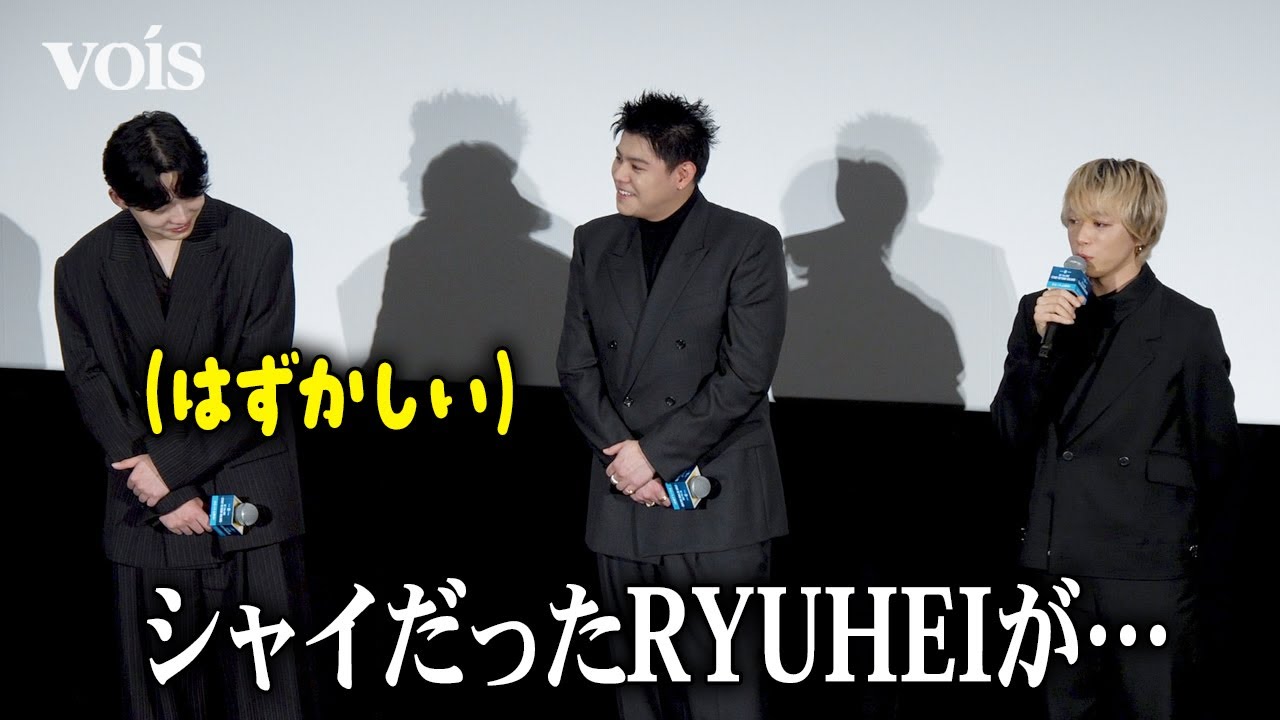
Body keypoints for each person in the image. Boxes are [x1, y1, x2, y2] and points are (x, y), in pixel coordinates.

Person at [54, 111, 314, 719]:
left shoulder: (260, 246)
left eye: (189, 193)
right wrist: (163, 492)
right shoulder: (83, 265)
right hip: (145, 509)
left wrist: (167, 469)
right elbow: (91, 384)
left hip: (249, 496)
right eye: (157, 205)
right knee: (161, 699)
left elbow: (261, 380)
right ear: (119, 198)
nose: (179, 215)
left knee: (268, 696)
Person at [556, 91, 788, 719]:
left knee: (721, 696)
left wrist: (654, 458)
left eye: (637, 165)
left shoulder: (747, 242)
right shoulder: (595, 241)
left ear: (683, 173)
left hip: (716, 502)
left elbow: (745, 376)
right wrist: (628, 463)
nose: (619, 175)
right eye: (618, 159)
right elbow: (576, 366)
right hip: (621, 500)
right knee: (639, 698)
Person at [991, 158, 1240, 719]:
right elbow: (1009, 432)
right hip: (1056, 563)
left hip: (1145, 570)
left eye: (1100, 224)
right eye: (1073, 221)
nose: (1080, 237)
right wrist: (1039, 350)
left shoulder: (1186, 326)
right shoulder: (1040, 313)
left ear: (1141, 232)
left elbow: (1217, 457)